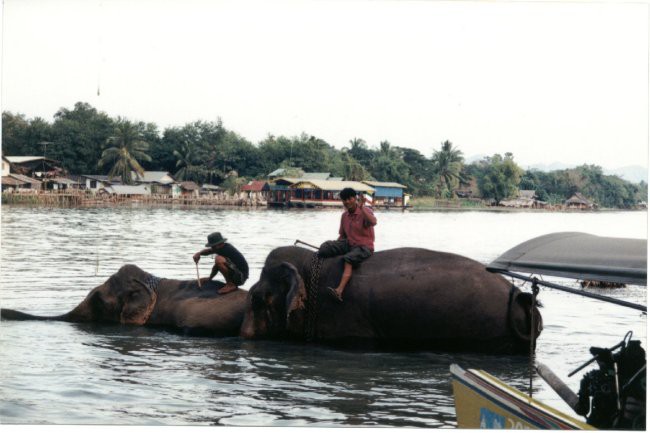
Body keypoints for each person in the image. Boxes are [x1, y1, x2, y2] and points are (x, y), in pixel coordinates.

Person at [318, 187, 377, 303]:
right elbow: (342, 236)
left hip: (364, 246)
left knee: (348, 259)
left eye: (349, 199)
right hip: (349, 244)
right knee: (325, 247)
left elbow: (374, 222)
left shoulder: (365, 211)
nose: (347, 202)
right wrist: (335, 247)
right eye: (344, 200)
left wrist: (362, 208)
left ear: (355, 198)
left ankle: (339, 290)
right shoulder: (344, 216)